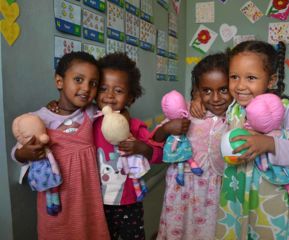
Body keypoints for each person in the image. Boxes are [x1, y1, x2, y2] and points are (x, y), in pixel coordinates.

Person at [215, 40, 289, 239]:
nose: (240, 86)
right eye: (234, 77)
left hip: (272, 206)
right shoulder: (234, 109)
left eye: (251, 78)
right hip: (235, 202)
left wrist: (270, 144)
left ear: (271, 80)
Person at [12, 52, 110, 240]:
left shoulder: (90, 112)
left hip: (88, 200)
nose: (86, 88)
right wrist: (24, 153)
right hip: (57, 204)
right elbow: (16, 154)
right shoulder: (39, 120)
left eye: (93, 83)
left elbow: (116, 112)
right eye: (78, 79)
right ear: (59, 81)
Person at [152, 53, 233, 240]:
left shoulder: (235, 115)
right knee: (178, 230)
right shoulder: (185, 110)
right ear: (197, 90)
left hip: (216, 191)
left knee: (211, 232)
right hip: (182, 189)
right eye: (206, 91)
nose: (216, 98)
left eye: (223, 90)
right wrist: (167, 128)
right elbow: (156, 138)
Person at [93, 52, 162, 240]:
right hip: (96, 202)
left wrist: (141, 148)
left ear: (131, 97)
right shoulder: (90, 124)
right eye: (103, 88)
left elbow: (158, 155)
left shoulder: (136, 126)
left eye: (118, 90)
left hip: (129, 202)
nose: (109, 96)